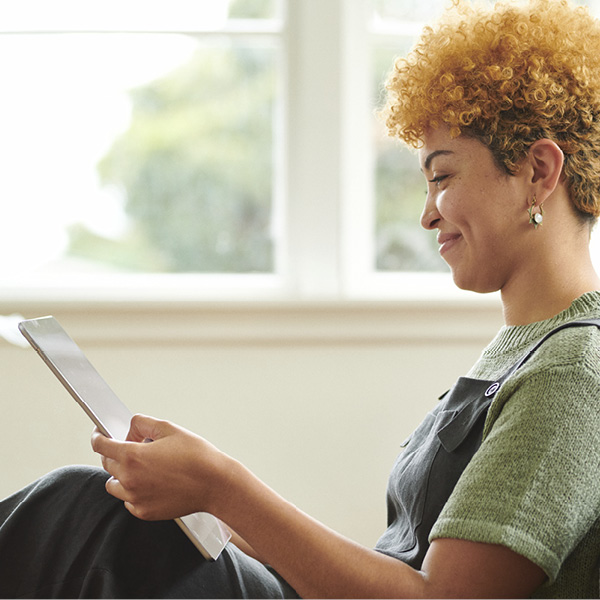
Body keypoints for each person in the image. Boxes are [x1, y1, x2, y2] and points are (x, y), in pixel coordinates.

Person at [3, 0, 600, 597]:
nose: (425, 215)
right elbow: (393, 563)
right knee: (99, 516)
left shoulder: (573, 372)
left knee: (85, 514)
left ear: (539, 171)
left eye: (441, 177)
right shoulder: (524, 351)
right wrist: (209, 507)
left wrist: (224, 487)